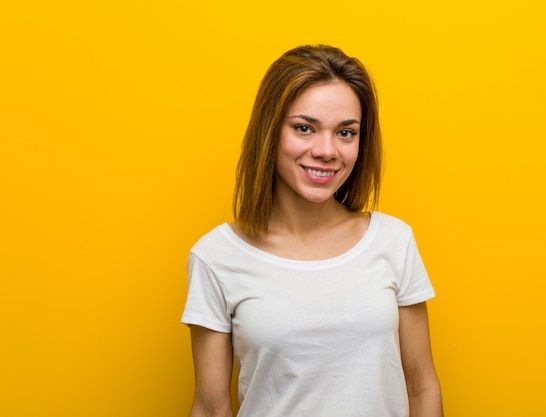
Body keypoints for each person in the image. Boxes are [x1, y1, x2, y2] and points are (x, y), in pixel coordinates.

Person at [181, 44, 443, 417]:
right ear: (269, 132)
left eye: (346, 133)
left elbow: (422, 387)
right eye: (304, 128)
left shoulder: (394, 241)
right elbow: (210, 407)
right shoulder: (216, 257)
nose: (326, 150)